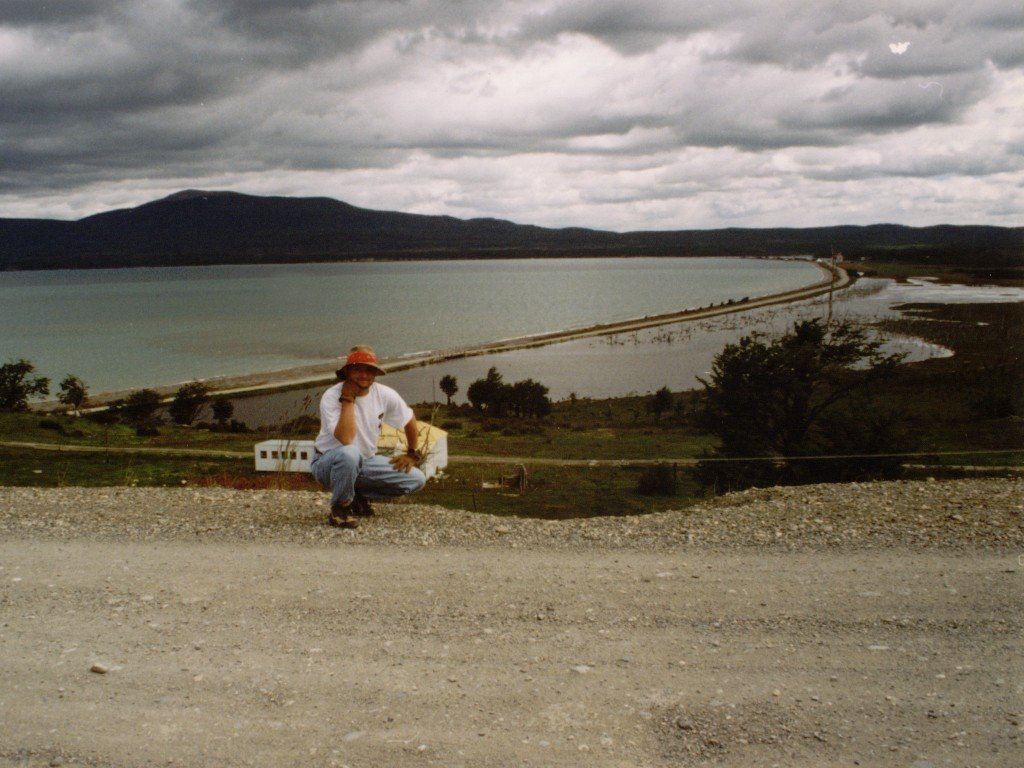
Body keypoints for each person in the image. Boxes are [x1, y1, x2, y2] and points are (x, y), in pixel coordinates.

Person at [310, 345, 426, 528]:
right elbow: (346, 439)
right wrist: (348, 398)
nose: (364, 375)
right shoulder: (332, 396)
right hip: (329, 463)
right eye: (357, 369)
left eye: (369, 370)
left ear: (375, 374)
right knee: (350, 453)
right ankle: (340, 509)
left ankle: (356, 496)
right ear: (347, 372)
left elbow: (409, 418)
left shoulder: (385, 394)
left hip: (365, 462)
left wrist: (412, 454)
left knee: (416, 480)